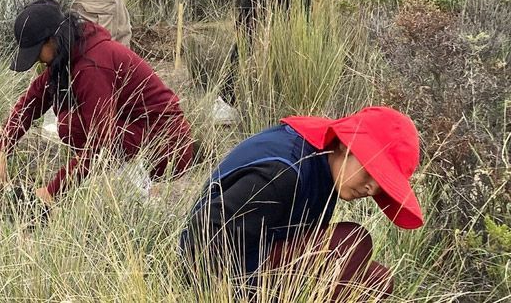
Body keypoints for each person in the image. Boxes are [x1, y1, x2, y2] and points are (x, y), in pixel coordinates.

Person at [179, 106, 423, 301]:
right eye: (372, 172)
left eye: (383, 183)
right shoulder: (285, 172)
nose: (372, 188)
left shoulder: (324, 163)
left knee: (377, 280)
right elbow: (204, 233)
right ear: (346, 145)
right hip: (223, 273)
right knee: (352, 241)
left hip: (260, 262)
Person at [0, 0, 194, 204]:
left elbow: (100, 143)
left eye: (36, 51)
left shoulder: (92, 66)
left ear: (52, 39)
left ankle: (142, 195)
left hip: (168, 148)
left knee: (73, 125)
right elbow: (31, 102)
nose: (37, 60)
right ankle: (132, 185)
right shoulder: (69, 53)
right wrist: (1, 149)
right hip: (137, 132)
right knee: (71, 125)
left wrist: (53, 191)